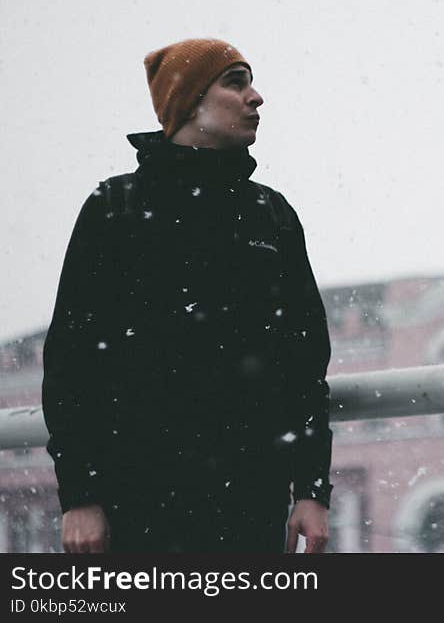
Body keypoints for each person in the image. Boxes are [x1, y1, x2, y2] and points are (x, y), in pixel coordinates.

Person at [41, 38, 334, 553]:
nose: (256, 97)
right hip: (134, 503)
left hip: (250, 503)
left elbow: (303, 364)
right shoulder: (116, 209)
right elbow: (71, 360)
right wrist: (80, 496)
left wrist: (312, 491)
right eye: (235, 82)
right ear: (190, 100)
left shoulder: (271, 215)